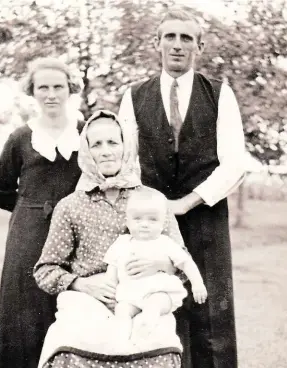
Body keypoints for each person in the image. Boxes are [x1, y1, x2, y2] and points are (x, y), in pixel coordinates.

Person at [118, 8, 246, 368]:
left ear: (199, 47)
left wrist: (188, 203)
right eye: (170, 37)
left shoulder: (220, 95)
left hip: (205, 218)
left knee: (209, 317)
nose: (177, 45)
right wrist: (153, 207)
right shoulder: (134, 96)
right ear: (155, 44)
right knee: (151, 304)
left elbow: (235, 162)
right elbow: (127, 159)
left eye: (186, 38)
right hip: (148, 223)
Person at [34, 110, 185, 368]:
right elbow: (45, 271)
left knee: (157, 345)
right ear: (87, 151)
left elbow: (180, 262)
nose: (105, 151)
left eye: (113, 143)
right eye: (97, 144)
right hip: (86, 302)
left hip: (144, 299)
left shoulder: (153, 201)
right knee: (71, 346)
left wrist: (159, 266)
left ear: (127, 147)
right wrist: (82, 284)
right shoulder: (70, 206)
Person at [0, 57, 82, 368]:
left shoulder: (85, 131)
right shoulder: (20, 137)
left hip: (77, 231)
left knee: (72, 302)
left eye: (58, 86)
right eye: (43, 87)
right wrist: (28, 210)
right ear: (33, 91)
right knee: (23, 307)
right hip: (28, 234)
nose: (51, 94)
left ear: (70, 90)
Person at [104, 186, 207, 341]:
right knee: (122, 310)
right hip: (130, 294)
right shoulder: (121, 243)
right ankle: (122, 339)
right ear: (128, 221)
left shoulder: (165, 243)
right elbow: (112, 268)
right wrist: (110, 289)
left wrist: (197, 283)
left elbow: (186, 263)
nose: (144, 224)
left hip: (159, 292)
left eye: (152, 219)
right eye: (137, 219)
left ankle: (146, 325)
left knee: (155, 304)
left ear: (162, 223)